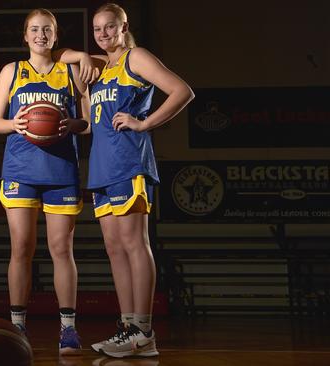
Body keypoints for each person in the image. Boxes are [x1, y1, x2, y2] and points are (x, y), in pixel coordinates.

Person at [57, 2, 194, 359]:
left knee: (135, 243)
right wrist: (74, 125)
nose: (103, 34)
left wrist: (145, 123)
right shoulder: (98, 69)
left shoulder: (137, 57)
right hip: (101, 168)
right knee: (114, 248)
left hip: (130, 163)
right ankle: (128, 328)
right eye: (97, 29)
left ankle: (144, 330)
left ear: (123, 26)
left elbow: (182, 91)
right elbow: (89, 120)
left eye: (109, 27)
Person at [0, 8, 91, 356]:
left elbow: (87, 123)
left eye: (47, 30)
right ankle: (18, 325)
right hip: (20, 170)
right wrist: (14, 124)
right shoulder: (11, 71)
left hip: (60, 170)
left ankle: (68, 329)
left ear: (56, 35)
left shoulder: (70, 71)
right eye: (34, 29)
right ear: (25, 35)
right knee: (22, 249)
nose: (40, 35)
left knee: (61, 249)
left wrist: (70, 124)